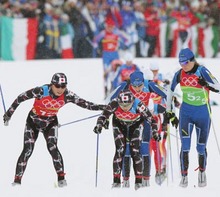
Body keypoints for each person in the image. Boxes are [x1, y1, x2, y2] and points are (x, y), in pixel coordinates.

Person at [3, 73, 106, 187]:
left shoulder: (68, 95)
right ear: (52, 84)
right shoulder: (41, 91)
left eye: (63, 86)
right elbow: (20, 98)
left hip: (50, 123)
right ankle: (17, 182)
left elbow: (87, 104)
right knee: (28, 150)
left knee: (52, 148)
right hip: (33, 121)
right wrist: (9, 114)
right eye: (57, 86)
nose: (60, 89)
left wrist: (105, 108)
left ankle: (61, 180)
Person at [108, 71, 178, 187]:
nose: (137, 89)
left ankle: (145, 181)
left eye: (140, 86)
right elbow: (110, 99)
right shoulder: (125, 85)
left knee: (145, 149)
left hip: (144, 119)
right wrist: (107, 115)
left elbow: (168, 95)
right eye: (134, 86)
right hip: (127, 121)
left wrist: (170, 112)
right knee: (126, 151)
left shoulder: (150, 85)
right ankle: (125, 180)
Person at [165, 48, 220, 188]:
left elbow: (218, 87)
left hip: (202, 113)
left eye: (185, 62)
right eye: (180, 63)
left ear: (192, 60)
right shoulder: (179, 74)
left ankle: (202, 173)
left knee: (201, 148)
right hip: (186, 113)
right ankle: (184, 176)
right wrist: (169, 112)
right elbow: (170, 91)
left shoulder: (202, 71)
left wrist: (206, 84)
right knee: (185, 146)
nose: (183, 65)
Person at [93, 90, 160, 190]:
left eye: (127, 105)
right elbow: (103, 115)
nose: (124, 108)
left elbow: (152, 120)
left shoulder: (139, 105)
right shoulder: (114, 103)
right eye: (122, 105)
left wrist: (155, 132)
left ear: (132, 102)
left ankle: (138, 181)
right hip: (119, 124)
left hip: (136, 124)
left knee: (135, 151)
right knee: (120, 150)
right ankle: (116, 181)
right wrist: (99, 125)